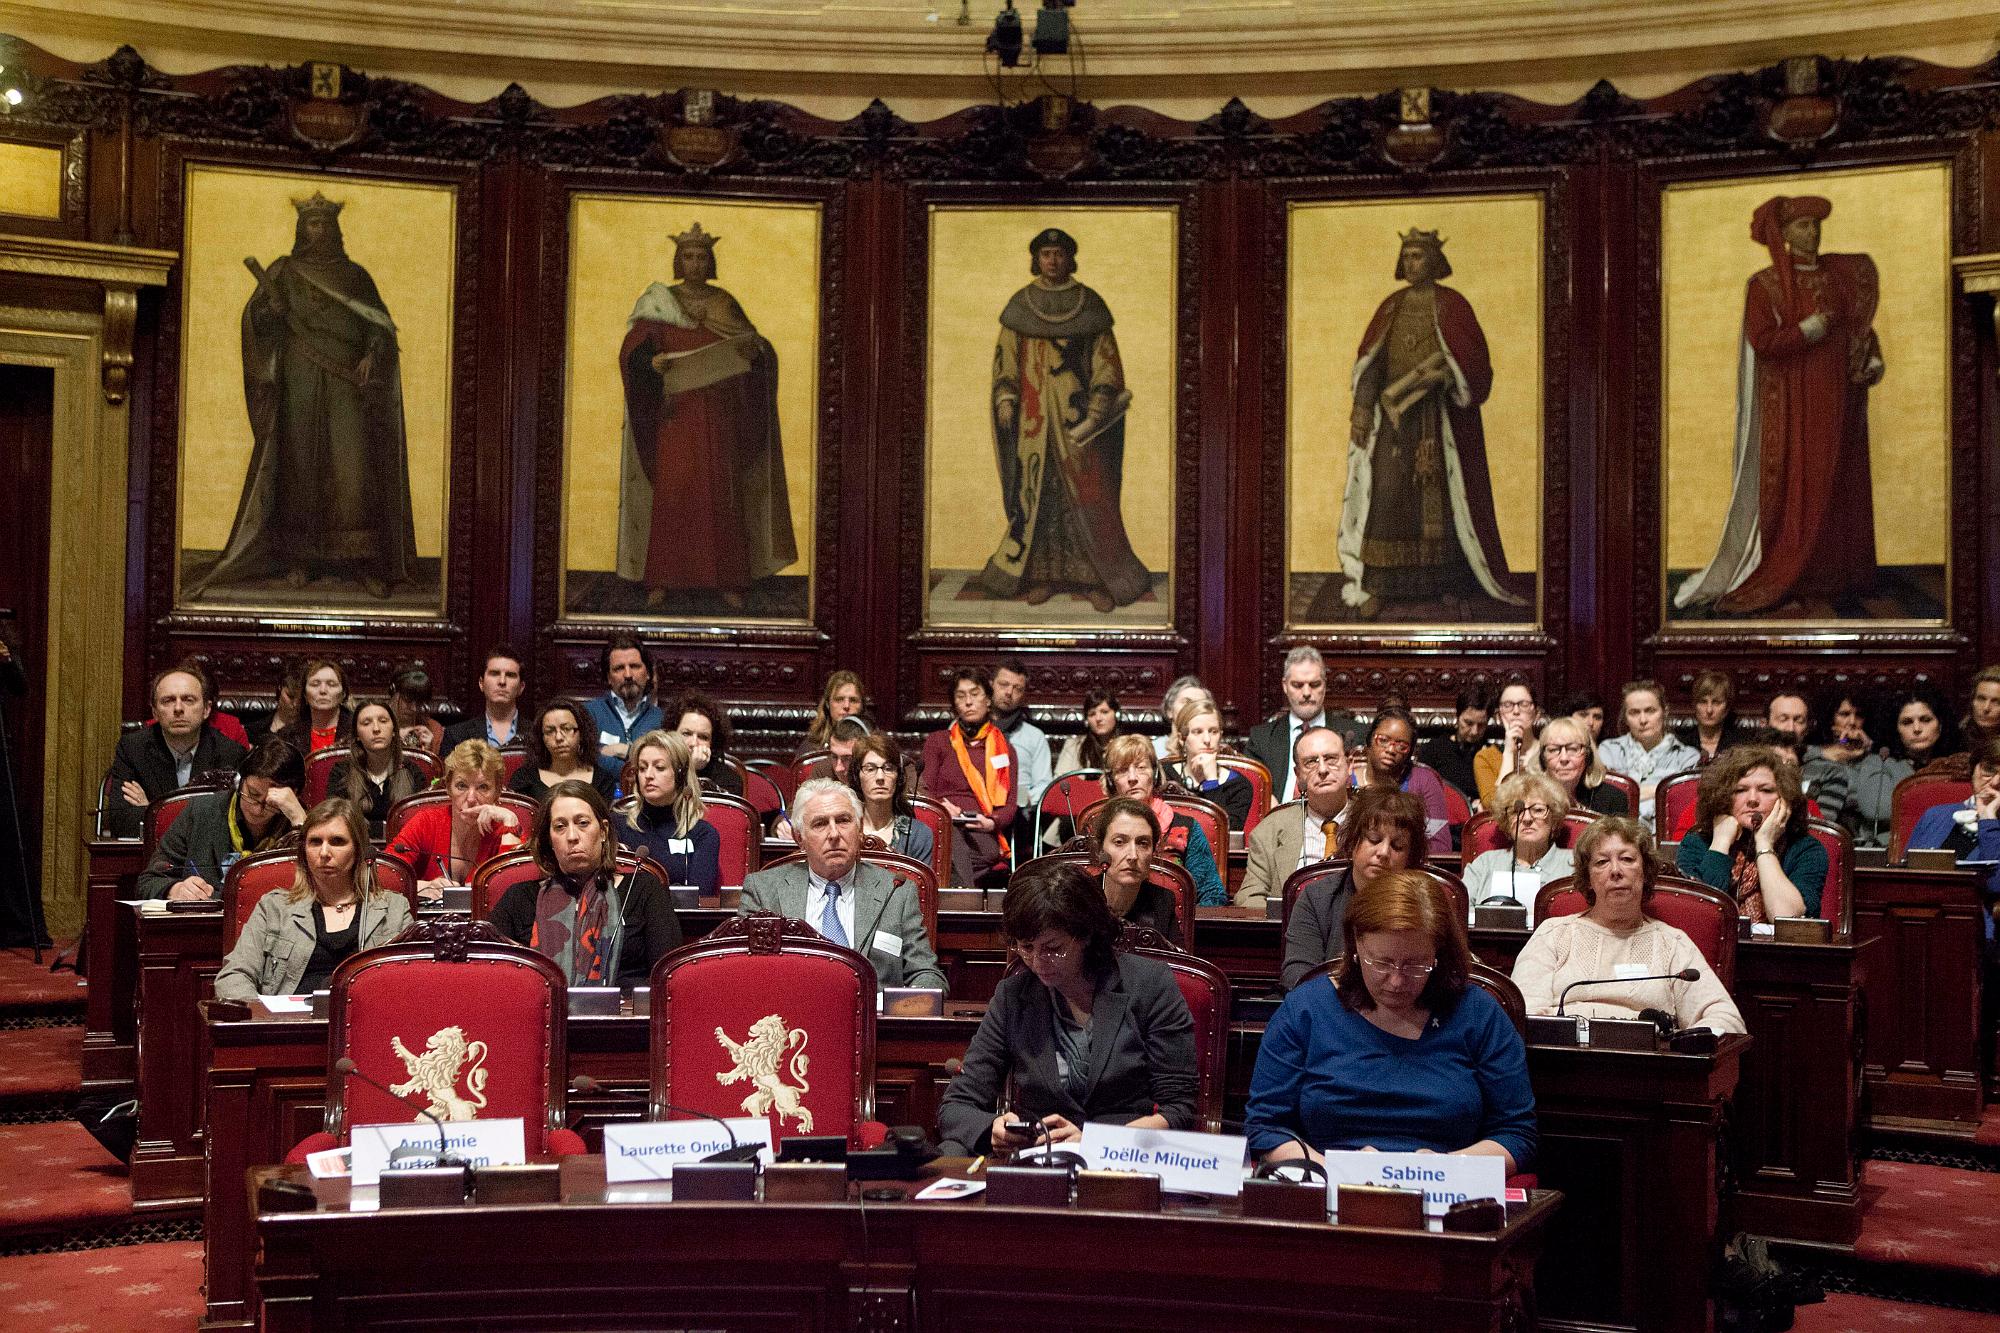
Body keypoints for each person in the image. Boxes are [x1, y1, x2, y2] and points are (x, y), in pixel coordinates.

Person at [195, 191, 419, 601]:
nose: (317, 231)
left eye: (324, 224)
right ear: (302, 229)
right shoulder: (283, 272)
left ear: (335, 230)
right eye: (311, 224)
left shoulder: (355, 276)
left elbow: (378, 325)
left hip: (347, 382)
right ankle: (300, 560)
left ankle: (362, 563)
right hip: (299, 377)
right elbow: (257, 323)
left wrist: (372, 353)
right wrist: (269, 314)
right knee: (301, 466)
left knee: (352, 472)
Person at [1674, 195, 1884, 616]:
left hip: (1840, 396)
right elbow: (1764, 342)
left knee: (1841, 477)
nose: (1812, 231)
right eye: (1803, 225)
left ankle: (1841, 575)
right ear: (1785, 234)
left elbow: (1858, 328)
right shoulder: (1765, 284)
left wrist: (1872, 357)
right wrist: (1806, 331)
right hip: (1795, 403)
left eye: (1814, 224)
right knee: (1802, 481)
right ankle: (1797, 575)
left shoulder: (1839, 275)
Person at [1247, 869, 1535, 1174]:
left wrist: (1449, 1167)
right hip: (1328, 1185)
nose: (1396, 981)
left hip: (1448, 1191)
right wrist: (1340, 1169)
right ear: (1356, 944)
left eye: (1415, 965)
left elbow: (1517, 1135)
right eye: (1381, 962)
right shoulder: (1306, 1010)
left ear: (1438, 953)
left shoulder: (1479, 1014)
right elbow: (1267, 1128)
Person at [936, 858, 1197, 1155]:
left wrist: (1095, 1142)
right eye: (1026, 947)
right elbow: (956, 1106)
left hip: (1123, 1160)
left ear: (1085, 935)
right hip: (1040, 1159)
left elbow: (1178, 1111)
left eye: (1053, 949)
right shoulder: (1013, 995)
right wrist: (991, 1129)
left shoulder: (1149, 984)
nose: (1036, 962)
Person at [1339, 229, 1532, 618]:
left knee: (1443, 503)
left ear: (1435, 262)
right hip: (1395, 424)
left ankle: (1447, 585)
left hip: (1440, 422)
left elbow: (1477, 366)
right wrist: (1362, 410)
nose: (1412, 263)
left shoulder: (1454, 306)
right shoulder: (1391, 307)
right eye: (1407, 256)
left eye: (1419, 256)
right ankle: (1379, 586)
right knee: (1389, 497)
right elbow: (1372, 363)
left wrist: (1445, 376)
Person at [615, 221, 795, 612]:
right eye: (688, 257)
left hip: (719, 415)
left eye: (701, 257)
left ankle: (729, 579)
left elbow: (757, 349)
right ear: (678, 262)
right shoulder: (659, 303)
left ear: (710, 262)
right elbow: (633, 352)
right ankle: (662, 579)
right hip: (674, 416)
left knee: (719, 496)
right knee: (674, 494)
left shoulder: (724, 303)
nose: (695, 264)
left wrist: (753, 352)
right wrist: (652, 362)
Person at [978, 227, 1150, 614]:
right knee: (1038, 496)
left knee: (1091, 496)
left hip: (1079, 425)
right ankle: (1043, 577)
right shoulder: (1019, 307)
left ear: (1070, 258)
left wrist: (1100, 404)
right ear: (1036, 259)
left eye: (1058, 253)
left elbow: (1106, 360)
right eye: (1045, 254)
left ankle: (1099, 580)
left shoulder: (1089, 306)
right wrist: (1005, 398)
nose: (1052, 261)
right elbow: (1005, 356)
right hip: (1032, 426)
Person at [1513, 816, 1745, 1033]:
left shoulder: (1672, 943)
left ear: (1645, 871)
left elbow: (1726, 1019)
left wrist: (1679, 1046)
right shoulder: (1554, 935)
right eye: (1602, 862)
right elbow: (1522, 1014)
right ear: (1589, 878)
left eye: (1627, 859)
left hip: (1651, 1068)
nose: (1616, 871)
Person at [740, 779, 946, 991]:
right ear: (799, 838)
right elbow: (746, 971)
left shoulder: (896, 891)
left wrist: (910, 1003)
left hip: (875, 1020)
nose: (834, 834)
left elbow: (925, 972)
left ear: (859, 831)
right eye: (820, 824)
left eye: (843, 821)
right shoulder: (764, 889)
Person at [213, 799, 414, 1002]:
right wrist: (262, 1015)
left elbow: (410, 982)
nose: (324, 853)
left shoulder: (394, 910)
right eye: (315, 842)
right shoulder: (274, 908)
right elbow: (233, 976)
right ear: (304, 851)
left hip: (365, 1025)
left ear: (358, 849)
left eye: (337, 841)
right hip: (289, 1026)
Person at [493, 781, 681, 986]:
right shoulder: (519, 899)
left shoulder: (642, 889)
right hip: (543, 1015)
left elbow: (669, 979)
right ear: (549, 840)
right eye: (560, 827)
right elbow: (494, 982)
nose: (572, 836)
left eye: (582, 823)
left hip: (624, 1015)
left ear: (603, 831)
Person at [1279, 785, 1430, 991]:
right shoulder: (1316, 898)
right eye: (1374, 839)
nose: (1383, 852)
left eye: (1397, 846)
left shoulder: (1428, 902)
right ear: (1353, 841)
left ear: (1410, 857)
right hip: (1333, 1011)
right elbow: (1297, 974)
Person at [136, 741, 308, 900]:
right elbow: (148, 882)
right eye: (253, 795)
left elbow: (321, 888)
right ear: (240, 781)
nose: (257, 809)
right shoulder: (200, 811)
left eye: (271, 803)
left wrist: (299, 821)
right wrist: (174, 889)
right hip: (207, 926)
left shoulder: (300, 824)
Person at [1677, 745, 1827, 921]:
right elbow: (1696, 917)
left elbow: (1788, 919)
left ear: (1784, 798)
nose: (1753, 799)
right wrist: (1721, 842)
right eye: (1740, 790)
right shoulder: (1697, 842)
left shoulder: (1805, 849)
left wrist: (1764, 844)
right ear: (1723, 796)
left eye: (1766, 790)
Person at [104, 667, 249, 838]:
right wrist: (194, 820)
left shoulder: (230, 753)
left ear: (206, 710)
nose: (178, 708)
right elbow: (121, 822)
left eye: (188, 700)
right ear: (155, 711)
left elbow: (232, 825)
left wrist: (154, 810)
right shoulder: (132, 749)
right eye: (168, 701)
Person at [385, 739, 523, 898]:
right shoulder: (426, 822)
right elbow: (383, 875)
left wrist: (510, 820)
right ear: (448, 787)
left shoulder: (504, 830)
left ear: (497, 792)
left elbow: (516, 890)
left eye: (483, 787)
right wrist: (424, 886)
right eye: (462, 786)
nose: (471, 798)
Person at [1099, 735, 1226, 907]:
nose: (1132, 778)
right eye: (1122, 770)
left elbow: (1211, 894)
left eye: (1141, 767)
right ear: (1111, 780)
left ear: (1155, 774)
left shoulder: (1187, 828)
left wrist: (1183, 924)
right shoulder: (1097, 826)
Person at [1237, 726, 1353, 909]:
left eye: (1331, 759)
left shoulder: (1374, 821)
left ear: (1349, 765)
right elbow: (1250, 896)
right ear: (1298, 774)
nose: (1322, 769)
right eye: (1311, 762)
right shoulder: (1270, 829)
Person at [921, 668, 1017, 887]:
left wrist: (991, 823)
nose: (968, 702)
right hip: (943, 821)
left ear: (988, 700)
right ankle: (965, 899)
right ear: (954, 704)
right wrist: (942, 807)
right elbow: (924, 789)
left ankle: (951, 889)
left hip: (980, 826)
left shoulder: (1005, 749)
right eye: (961, 696)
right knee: (949, 834)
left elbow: (1010, 805)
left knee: (980, 854)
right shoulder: (938, 741)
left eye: (975, 694)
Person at [1845, 688, 1958, 849]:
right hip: (1890, 850)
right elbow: (1877, 809)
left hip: (1946, 850)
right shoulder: (1880, 761)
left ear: (1940, 724)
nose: (1917, 728)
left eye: (1925, 720)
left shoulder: (1956, 764)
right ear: (1896, 729)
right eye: (1907, 722)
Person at [1245, 647, 1362, 800]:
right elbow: (1248, 789)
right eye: (1298, 685)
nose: (1306, 693)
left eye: (1314, 684)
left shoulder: (1355, 734)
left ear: (1325, 685)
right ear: (1285, 686)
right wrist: (1265, 799)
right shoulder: (1261, 739)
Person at [616, 730, 722, 892]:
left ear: (680, 774)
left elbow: (701, 899)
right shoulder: (617, 825)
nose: (648, 775)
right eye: (642, 768)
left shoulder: (702, 834)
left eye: (659, 767)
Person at [1905, 739, 2000, 916]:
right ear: (1973, 771)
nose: (1995, 782)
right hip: (1921, 920)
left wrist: (1988, 819)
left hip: (1979, 931)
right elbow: (1906, 878)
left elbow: (1996, 885)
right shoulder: (1935, 815)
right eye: (1989, 770)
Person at [1462, 773, 1574, 921]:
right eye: (1517, 811)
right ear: (1506, 821)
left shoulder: (1573, 865)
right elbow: (1458, 914)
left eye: (1538, 810)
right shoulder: (1485, 864)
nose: (1527, 818)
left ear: (1554, 818)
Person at [1598, 680, 1697, 828]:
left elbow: (1683, 806)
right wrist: (1661, 790)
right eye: (1634, 712)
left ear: (1665, 712)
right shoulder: (1608, 751)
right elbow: (1604, 801)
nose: (1643, 720)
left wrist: (1628, 792)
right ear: (1625, 717)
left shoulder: (1688, 757)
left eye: (1650, 711)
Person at [325, 701, 430, 835]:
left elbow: (421, 824)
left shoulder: (412, 771)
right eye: (366, 723)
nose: (376, 729)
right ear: (357, 734)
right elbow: (336, 821)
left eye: (383, 721)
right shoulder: (342, 771)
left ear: (394, 730)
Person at [1355, 709, 1452, 853]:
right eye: (1383, 740)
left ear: (1410, 752)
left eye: (1401, 746)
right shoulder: (1345, 780)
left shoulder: (1424, 781)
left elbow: (1440, 846)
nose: (1391, 749)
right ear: (1369, 741)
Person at [1089, 796, 1181, 939]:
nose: (1133, 855)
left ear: (1153, 852)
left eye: (1143, 843)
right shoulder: (1078, 899)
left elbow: (1176, 960)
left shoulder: (1163, 902)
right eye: (1119, 842)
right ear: (1100, 849)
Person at [1161, 696, 1253, 831]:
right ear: (1182, 739)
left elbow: (1224, 833)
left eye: (1213, 731)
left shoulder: (1239, 785)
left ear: (1220, 735)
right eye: (1197, 732)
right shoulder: (1164, 774)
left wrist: (1211, 781)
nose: (1207, 739)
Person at [584, 634, 663, 787]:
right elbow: (586, 760)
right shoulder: (588, 713)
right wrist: (639, 765)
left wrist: (625, 751)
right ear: (608, 677)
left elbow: (665, 766)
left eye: (634, 666)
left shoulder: (662, 719)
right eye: (619, 668)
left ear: (647, 673)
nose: (628, 675)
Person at [509, 698, 618, 804]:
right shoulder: (524, 779)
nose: (559, 737)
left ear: (582, 733)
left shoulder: (603, 781)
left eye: (566, 729)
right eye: (550, 731)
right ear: (541, 738)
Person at [1765, 690, 1851, 824]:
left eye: (1799, 720)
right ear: (1764, 724)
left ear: (1807, 727)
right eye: (1783, 719)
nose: (1790, 728)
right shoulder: (1749, 767)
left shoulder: (1830, 771)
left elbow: (1820, 827)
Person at [848, 733, 934, 866]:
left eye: (888, 769)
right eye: (870, 769)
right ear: (857, 777)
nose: (880, 777)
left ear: (898, 778)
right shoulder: (843, 829)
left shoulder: (918, 834)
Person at [1524, 715, 1628, 818]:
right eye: (1553, 750)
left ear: (1588, 757)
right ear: (1543, 759)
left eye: (1573, 749)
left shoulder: (1613, 799)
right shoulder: (1527, 797)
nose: (1564, 758)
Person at [992, 658, 1053, 810]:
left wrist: (1016, 799)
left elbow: (1044, 785)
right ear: (991, 684)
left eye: (1017, 689)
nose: (1009, 692)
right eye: (1003, 684)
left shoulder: (1034, 736)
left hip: (1018, 812)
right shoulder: (967, 729)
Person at [440, 647, 526, 751]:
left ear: (521, 687)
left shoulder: (537, 735)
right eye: (494, 673)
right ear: (481, 683)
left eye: (510, 675)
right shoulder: (456, 735)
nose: (502, 681)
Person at [1472, 675, 1538, 808]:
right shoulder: (1485, 757)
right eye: (1508, 705)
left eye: (1523, 704)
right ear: (1499, 715)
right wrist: (1508, 753)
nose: (1516, 711)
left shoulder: (1550, 751)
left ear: (1535, 712)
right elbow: (1493, 805)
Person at [1418, 686, 1490, 806]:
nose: (1474, 731)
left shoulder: (1491, 754)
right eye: (1468, 723)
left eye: (1481, 725)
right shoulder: (1433, 750)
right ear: (1457, 716)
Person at [663, 688, 741, 798]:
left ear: (712, 742)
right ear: (672, 733)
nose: (694, 743)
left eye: (703, 737)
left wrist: (693, 771)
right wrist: (690, 769)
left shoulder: (728, 778)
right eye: (686, 734)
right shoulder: (657, 769)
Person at [801, 671, 867, 757]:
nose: (846, 706)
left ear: (862, 705)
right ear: (828, 704)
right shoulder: (811, 747)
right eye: (839, 699)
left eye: (853, 700)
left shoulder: (875, 746)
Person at [1055, 690, 1120, 775]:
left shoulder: (1129, 745)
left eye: (1104, 712)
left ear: (1116, 714)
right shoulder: (1073, 746)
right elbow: (1060, 782)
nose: (1098, 718)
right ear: (1086, 720)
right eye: (1092, 714)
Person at [298, 659, 353, 755]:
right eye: (315, 684)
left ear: (344, 694)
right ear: (304, 694)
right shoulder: (288, 736)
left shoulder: (357, 731)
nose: (323, 690)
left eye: (331, 684)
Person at [1691, 670, 1743, 766]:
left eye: (1716, 702)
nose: (1709, 710)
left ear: (1727, 707)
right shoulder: (1680, 744)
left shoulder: (1742, 744)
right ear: (1694, 705)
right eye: (1703, 702)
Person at [1152, 675, 1210, 760]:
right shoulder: (1152, 750)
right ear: (1169, 710)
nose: (1192, 708)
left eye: (1199, 703)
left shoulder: (1212, 748)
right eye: (1186, 702)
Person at [388, 666, 444, 754]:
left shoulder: (434, 729)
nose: (414, 708)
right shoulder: (375, 725)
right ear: (394, 693)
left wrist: (428, 752)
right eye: (408, 700)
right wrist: (391, 740)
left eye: (419, 702)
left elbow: (439, 767)